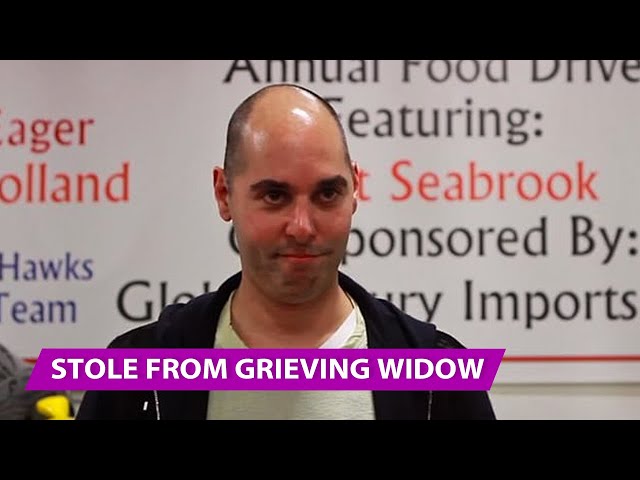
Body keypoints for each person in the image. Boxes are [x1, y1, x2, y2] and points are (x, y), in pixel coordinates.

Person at [76, 83, 497, 420]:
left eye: (327, 194)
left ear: (354, 189)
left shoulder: (436, 378)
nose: (302, 227)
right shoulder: (134, 378)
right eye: (274, 196)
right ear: (224, 194)